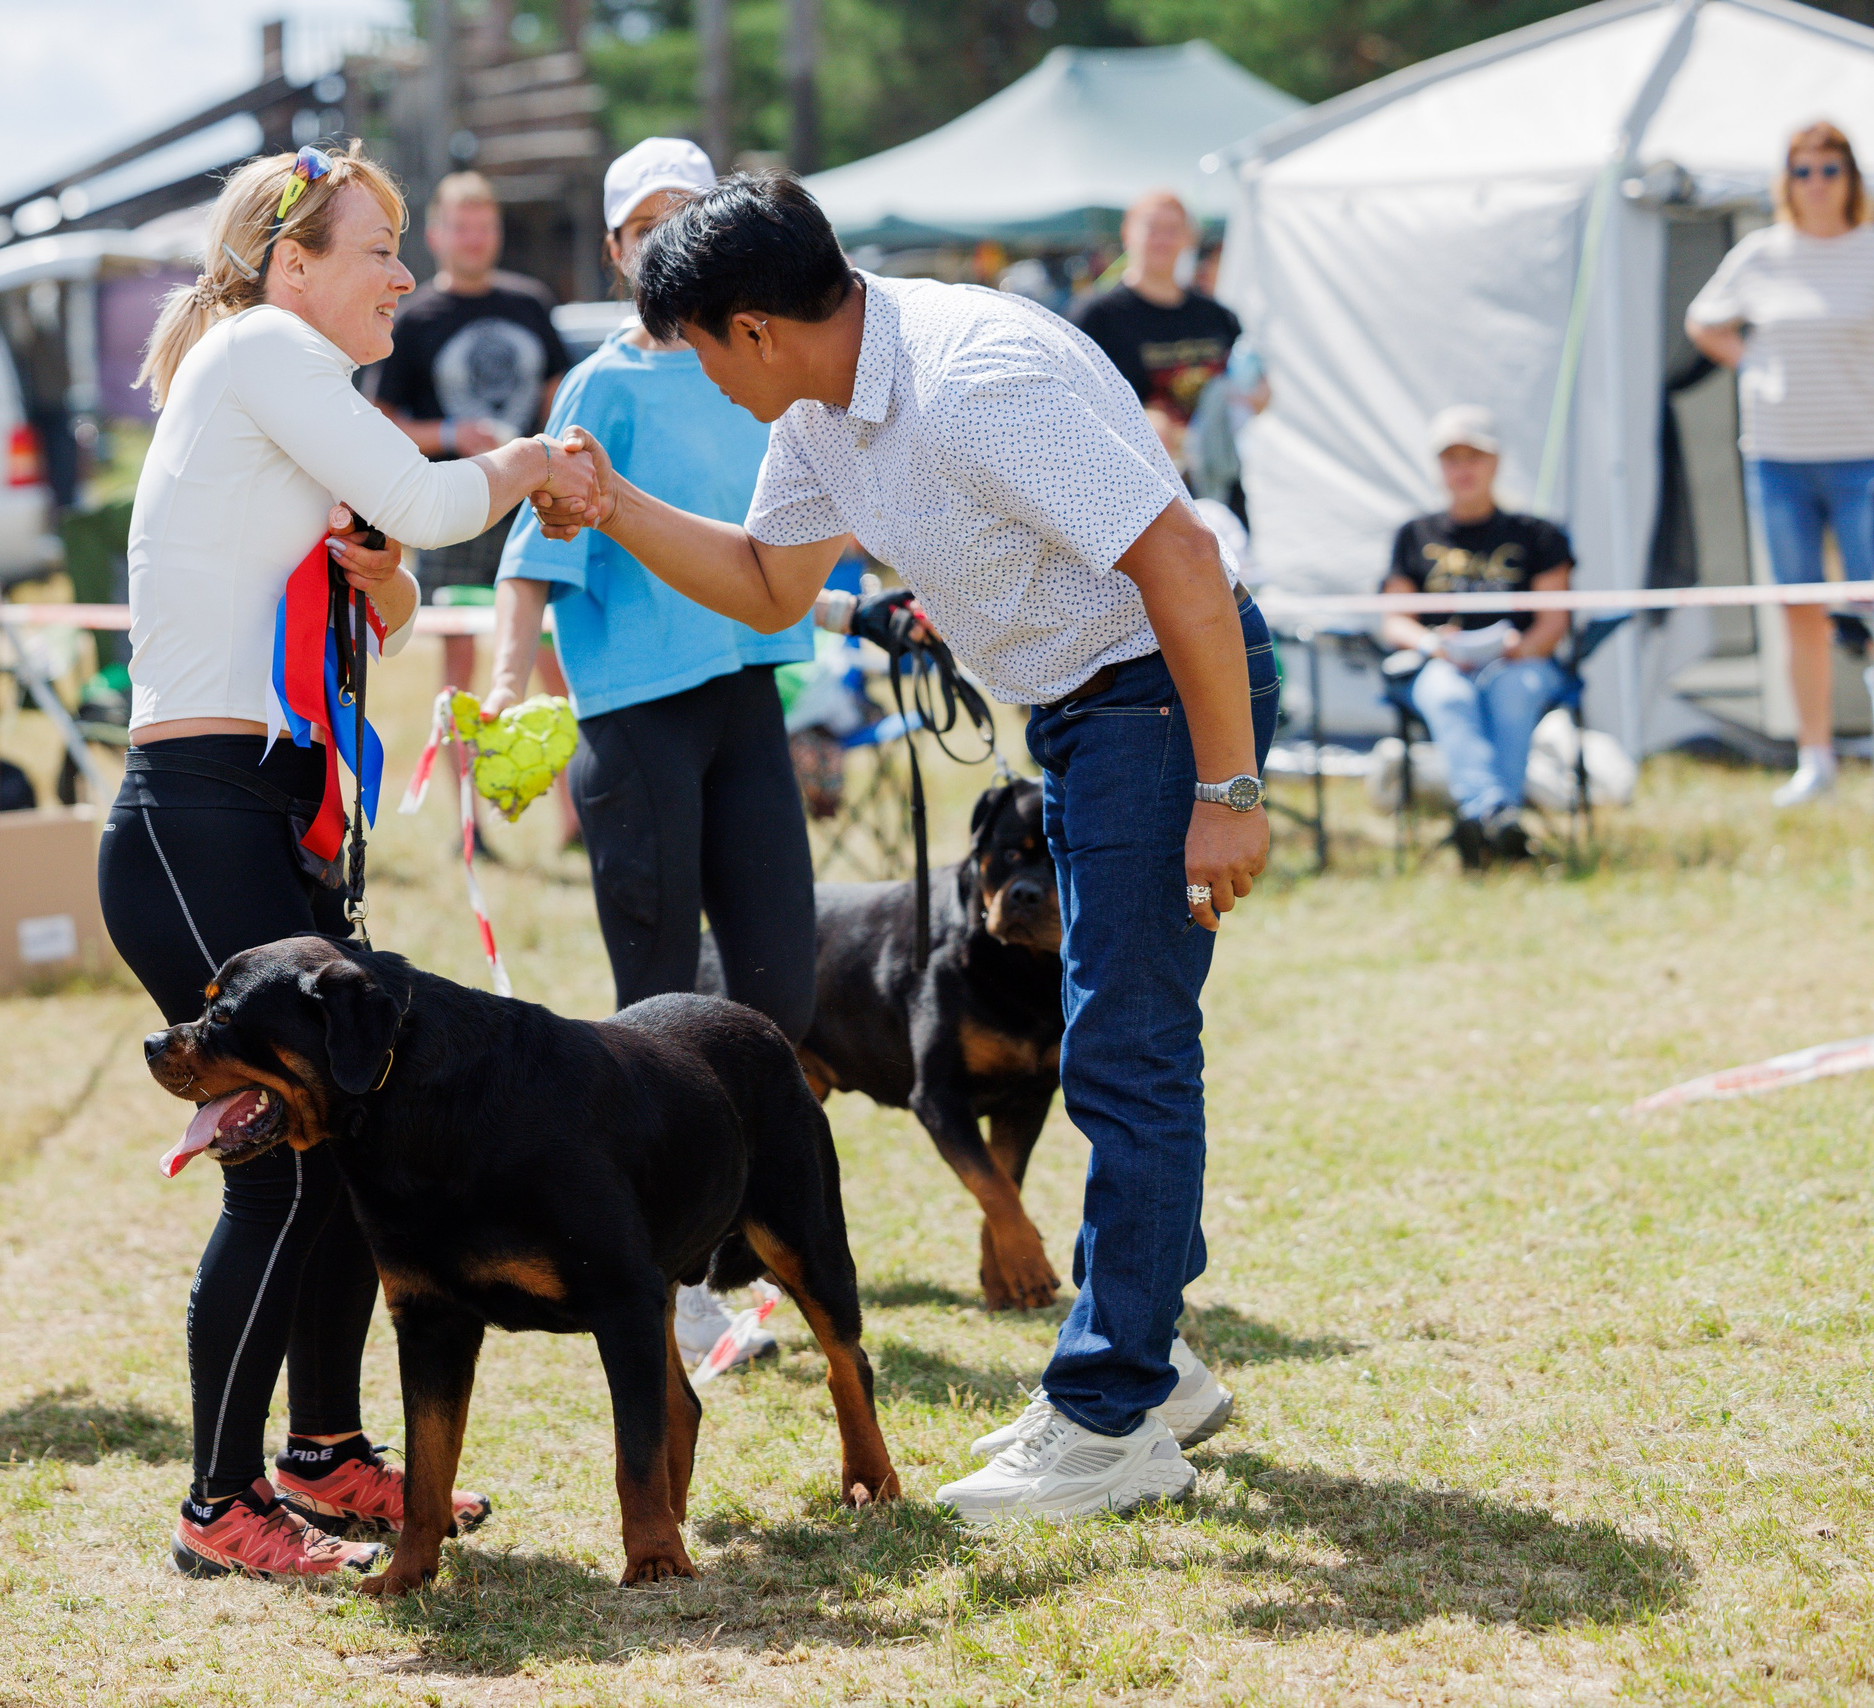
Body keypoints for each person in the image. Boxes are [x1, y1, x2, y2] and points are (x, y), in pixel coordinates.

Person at [532, 171, 1275, 1525]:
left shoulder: (971, 377)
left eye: (694, 344)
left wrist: (1226, 784)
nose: (694, 373)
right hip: (1090, 703)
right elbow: (770, 581)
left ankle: (1112, 1412)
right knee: (1126, 1043)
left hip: (1160, 691)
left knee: (1124, 1050)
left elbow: (1182, 558)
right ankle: (1149, 1367)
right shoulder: (820, 402)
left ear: (752, 326)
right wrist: (615, 508)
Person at [99, 141, 599, 1580]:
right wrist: (531, 461)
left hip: (262, 811)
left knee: (340, 1149)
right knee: (277, 1174)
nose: (401, 274)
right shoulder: (263, 349)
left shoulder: (282, 382)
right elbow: (441, 507)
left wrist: (384, 585)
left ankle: (320, 1457)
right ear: (288, 263)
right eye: (378, 245)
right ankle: (217, 1505)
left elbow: (380, 590)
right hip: (197, 818)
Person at [488, 137, 801, 1375]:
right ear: (616, 252)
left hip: (747, 702)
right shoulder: (595, 392)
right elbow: (529, 562)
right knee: (657, 1009)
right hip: (634, 717)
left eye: (687, 215)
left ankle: (725, 1258)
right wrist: (510, 698)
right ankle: (668, 1289)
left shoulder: (751, 369)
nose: (663, 239)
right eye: (641, 225)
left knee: (778, 1002)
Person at [1687, 120, 1874, 807]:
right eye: (1804, 170)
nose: (1817, 184)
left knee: (1870, 605)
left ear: (1850, 178)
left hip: (1863, 455)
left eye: (1830, 169)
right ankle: (1815, 757)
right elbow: (1703, 320)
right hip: (1779, 457)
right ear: (1786, 180)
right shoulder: (1761, 255)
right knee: (1798, 609)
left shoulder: (1869, 250)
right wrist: (1753, 364)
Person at [372, 171, 577, 709]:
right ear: (437, 235)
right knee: (458, 672)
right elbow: (379, 424)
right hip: (454, 505)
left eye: (484, 226)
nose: (474, 239)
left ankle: (577, 793)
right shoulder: (412, 319)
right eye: (462, 228)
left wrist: (547, 452)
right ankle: (469, 793)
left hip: (531, 502)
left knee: (553, 655)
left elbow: (559, 396)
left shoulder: (531, 303)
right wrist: (450, 434)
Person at [1378, 407, 1574, 868]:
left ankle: (1479, 821)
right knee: (1448, 696)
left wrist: (1519, 650)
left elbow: (1554, 620)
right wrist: (1433, 645)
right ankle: (1499, 816)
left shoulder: (1538, 535)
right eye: (1452, 458)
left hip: (1521, 662)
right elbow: (1393, 620)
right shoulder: (1414, 534)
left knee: (1512, 691)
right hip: (1443, 662)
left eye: (1474, 457)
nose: (1463, 469)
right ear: (1439, 467)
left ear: (1496, 462)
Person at [1069, 191, 1243, 482]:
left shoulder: (1217, 316)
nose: (1162, 239)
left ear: (1189, 238)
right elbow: (1072, 408)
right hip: (1136, 489)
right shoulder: (1095, 316)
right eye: (1152, 228)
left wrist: (1254, 394)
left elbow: (1251, 385)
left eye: (1173, 230)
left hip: (1218, 480)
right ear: (1128, 234)